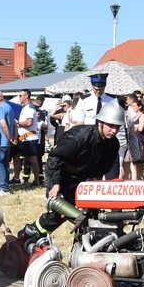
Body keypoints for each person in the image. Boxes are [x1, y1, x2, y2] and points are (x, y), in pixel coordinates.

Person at [18, 100, 123, 242]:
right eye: (111, 126)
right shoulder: (79, 136)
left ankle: (83, 250)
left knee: (89, 217)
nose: (114, 130)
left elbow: (104, 170)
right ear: (100, 122)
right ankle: (30, 234)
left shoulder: (113, 144)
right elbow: (55, 158)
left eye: (117, 127)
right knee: (61, 211)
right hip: (61, 175)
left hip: (84, 178)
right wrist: (55, 183)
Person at [124, 96, 144, 179]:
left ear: (140, 107)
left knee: (139, 161)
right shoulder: (133, 116)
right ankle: (136, 178)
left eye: (134, 106)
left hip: (140, 141)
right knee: (134, 161)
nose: (133, 108)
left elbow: (141, 128)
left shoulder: (142, 116)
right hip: (134, 140)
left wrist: (133, 127)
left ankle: (139, 177)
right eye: (132, 106)